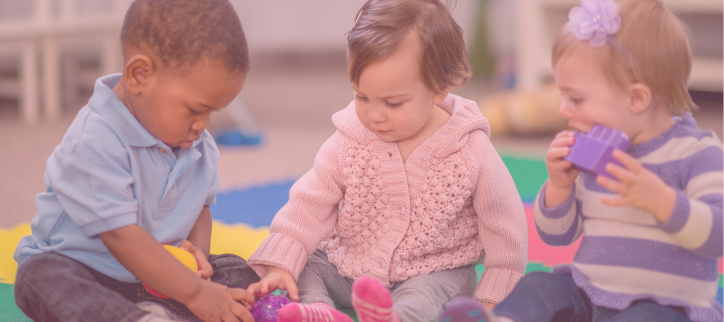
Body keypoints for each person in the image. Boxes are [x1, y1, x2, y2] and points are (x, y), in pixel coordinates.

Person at [245, 1, 528, 321]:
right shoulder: (348, 141)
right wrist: (279, 264)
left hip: (433, 271)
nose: (374, 115)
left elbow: (504, 224)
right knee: (306, 263)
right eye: (361, 97)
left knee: (429, 294)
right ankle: (320, 310)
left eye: (393, 103)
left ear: (440, 86)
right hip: (351, 268)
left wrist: (495, 291)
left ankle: (396, 317)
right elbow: (309, 204)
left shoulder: (470, 149)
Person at [13, 1, 260, 321]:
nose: (203, 125)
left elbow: (201, 206)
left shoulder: (197, 143)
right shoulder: (96, 140)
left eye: (213, 112)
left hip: (159, 277)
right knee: (39, 278)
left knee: (240, 271)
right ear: (139, 75)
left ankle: (164, 312)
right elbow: (120, 236)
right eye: (195, 110)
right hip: (87, 270)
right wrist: (195, 292)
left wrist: (198, 261)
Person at [489, 0, 723, 321]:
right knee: (539, 284)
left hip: (665, 306)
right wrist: (559, 186)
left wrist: (664, 202)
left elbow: (717, 237)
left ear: (637, 98)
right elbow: (557, 237)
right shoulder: (595, 151)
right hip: (589, 294)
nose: (563, 110)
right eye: (562, 96)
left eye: (577, 98)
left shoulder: (697, 153)